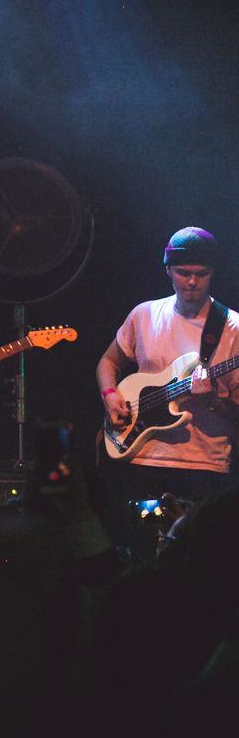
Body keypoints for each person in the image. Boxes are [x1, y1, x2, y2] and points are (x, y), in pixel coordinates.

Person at [96, 226, 239, 551]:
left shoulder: (232, 328)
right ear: (168, 270)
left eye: (201, 273)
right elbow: (108, 362)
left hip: (205, 465)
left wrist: (214, 400)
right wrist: (111, 396)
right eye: (183, 273)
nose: (192, 282)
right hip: (143, 458)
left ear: (213, 272)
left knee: (199, 560)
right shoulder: (144, 315)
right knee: (141, 556)